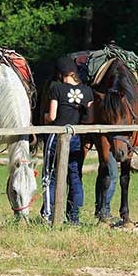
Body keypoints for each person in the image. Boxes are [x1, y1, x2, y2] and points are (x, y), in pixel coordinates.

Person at [41, 57, 94, 224]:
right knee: (75, 177)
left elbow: (53, 116)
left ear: (60, 73)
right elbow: (89, 117)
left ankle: (49, 216)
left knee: (50, 176)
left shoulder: (56, 88)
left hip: (56, 137)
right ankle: (74, 218)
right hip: (76, 137)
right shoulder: (87, 91)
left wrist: (44, 117)